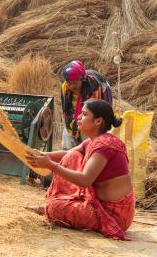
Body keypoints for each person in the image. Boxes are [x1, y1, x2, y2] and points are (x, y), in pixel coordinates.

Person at [25, 99, 134, 240]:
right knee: (72, 156)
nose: (78, 117)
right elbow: (66, 154)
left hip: (114, 215)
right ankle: (56, 204)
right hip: (98, 203)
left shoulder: (104, 146)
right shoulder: (93, 141)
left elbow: (85, 180)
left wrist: (49, 165)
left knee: (55, 208)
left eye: (84, 114)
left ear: (98, 121)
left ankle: (49, 207)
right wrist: (40, 155)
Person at [61, 60, 112, 150]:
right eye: (69, 83)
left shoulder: (95, 89)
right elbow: (67, 110)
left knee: (90, 146)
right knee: (68, 147)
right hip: (74, 115)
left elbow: (97, 115)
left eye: (76, 82)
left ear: (83, 79)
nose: (72, 86)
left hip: (93, 116)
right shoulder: (65, 87)